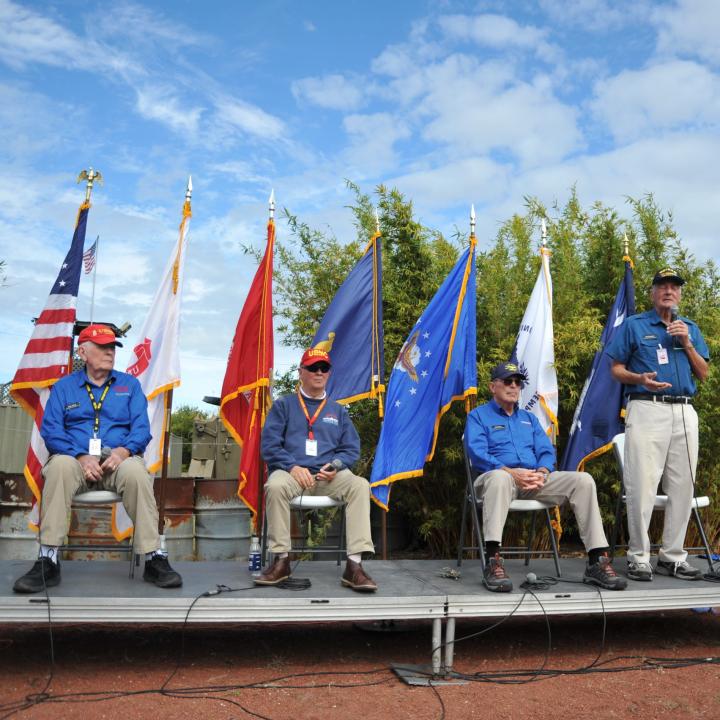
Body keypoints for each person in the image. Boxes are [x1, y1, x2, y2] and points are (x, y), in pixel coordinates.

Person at [13, 324, 182, 593]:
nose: (109, 352)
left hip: (116, 460)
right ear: (83, 351)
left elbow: (141, 429)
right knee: (58, 467)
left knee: (138, 472)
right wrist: (79, 456)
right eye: (103, 346)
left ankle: (153, 558)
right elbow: (52, 430)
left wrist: (122, 452)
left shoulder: (129, 385)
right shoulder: (64, 387)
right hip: (75, 459)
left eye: (112, 347)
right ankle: (48, 558)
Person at [465, 361, 626, 593]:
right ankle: (493, 562)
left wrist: (542, 472)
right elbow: (478, 454)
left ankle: (596, 561)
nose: (513, 386)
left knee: (583, 480)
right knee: (499, 479)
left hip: (533, 479)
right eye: (507, 381)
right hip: (496, 479)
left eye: (518, 382)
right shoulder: (478, 416)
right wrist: (510, 472)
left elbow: (546, 451)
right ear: (493, 386)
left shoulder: (529, 419)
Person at [607, 268, 710, 582]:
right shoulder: (634, 326)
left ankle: (673, 556)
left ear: (680, 294)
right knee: (642, 485)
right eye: (662, 286)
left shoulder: (689, 327)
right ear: (652, 293)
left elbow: (704, 374)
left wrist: (687, 343)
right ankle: (639, 557)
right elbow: (615, 369)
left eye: (674, 287)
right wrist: (639, 379)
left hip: (684, 413)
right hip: (647, 407)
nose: (669, 291)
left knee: (682, 486)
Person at [257, 347, 377, 592]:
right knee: (275, 485)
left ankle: (354, 567)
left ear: (329, 373)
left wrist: (336, 466)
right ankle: (281, 561)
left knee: (360, 485)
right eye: (312, 368)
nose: (319, 372)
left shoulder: (338, 410)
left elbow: (350, 449)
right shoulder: (284, 405)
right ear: (301, 372)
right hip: (292, 474)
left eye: (324, 368)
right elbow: (269, 446)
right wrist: (291, 466)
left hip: (328, 477)